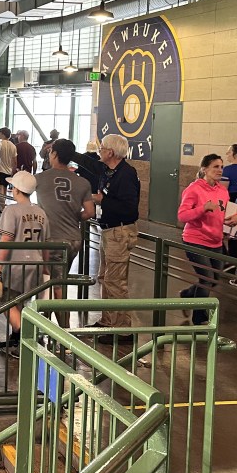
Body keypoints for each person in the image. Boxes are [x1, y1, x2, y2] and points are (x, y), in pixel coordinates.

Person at [177, 154, 237, 326]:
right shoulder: (194, 189)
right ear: (204, 169)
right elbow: (182, 215)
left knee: (214, 278)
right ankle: (200, 318)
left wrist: (235, 218)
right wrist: (202, 209)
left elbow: (223, 214)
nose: (220, 170)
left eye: (221, 167)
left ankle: (187, 294)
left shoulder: (223, 191)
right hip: (195, 239)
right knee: (207, 279)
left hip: (216, 241)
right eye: (215, 167)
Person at [89, 134, 140, 334]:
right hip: (108, 230)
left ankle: (122, 329)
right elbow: (88, 163)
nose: (99, 151)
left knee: (116, 282)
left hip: (119, 231)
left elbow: (129, 209)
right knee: (105, 278)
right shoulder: (109, 171)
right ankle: (108, 320)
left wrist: (103, 201)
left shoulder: (126, 175)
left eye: (102, 148)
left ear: (110, 152)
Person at [0, 172, 50, 359]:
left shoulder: (11, 210)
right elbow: (46, 244)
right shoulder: (41, 212)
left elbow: (6, 240)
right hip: (37, 263)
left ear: (16, 189)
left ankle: (26, 337)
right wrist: (45, 266)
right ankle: (17, 338)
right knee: (21, 301)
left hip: (16, 264)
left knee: (6, 300)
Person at [35, 139, 95, 263]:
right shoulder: (83, 182)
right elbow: (90, 212)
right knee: (62, 272)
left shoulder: (39, 178)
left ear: (54, 154)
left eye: (50, 152)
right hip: (73, 239)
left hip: (51, 238)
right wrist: (73, 216)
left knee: (50, 274)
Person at [0, 128, 18, 200]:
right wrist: (13, 171)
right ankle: (3, 203)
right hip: (9, 170)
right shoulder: (13, 146)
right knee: (4, 188)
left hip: (0, 169)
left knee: (1, 188)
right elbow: (15, 161)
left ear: (3, 134)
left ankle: (2, 204)